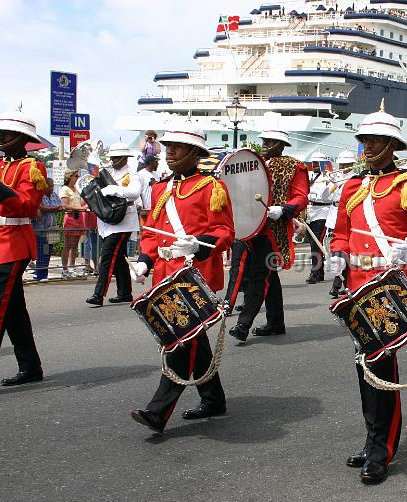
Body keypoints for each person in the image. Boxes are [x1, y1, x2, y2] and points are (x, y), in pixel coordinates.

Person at [327, 104, 407, 484]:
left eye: (374, 140)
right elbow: (340, 232)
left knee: (380, 366)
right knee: (365, 366)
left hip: (389, 288)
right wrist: (337, 263)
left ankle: (381, 450)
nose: (366, 146)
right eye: (363, 140)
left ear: (392, 145)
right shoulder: (352, 186)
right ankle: (374, 439)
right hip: (356, 286)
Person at [130, 123, 235, 432]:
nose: (170, 151)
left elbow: (225, 232)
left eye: (178, 147)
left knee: (179, 341)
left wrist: (200, 243)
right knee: (192, 339)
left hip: (193, 274)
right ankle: (213, 398)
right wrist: (144, 261)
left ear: (195, 153)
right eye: (168, 146)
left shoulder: (211, 187)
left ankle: (157, 411)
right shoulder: (161, 188)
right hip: (165, 274)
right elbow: (151, 233)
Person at [0, 110, 47, 396]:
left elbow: (25, 207)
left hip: (14, 243)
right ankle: (30, 366)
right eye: (0, 133)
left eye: (7, 134)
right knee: (12, 310)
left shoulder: (33, 167)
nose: (0, 138)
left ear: (22, 139)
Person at [227, 129, 308, 341]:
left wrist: (283, 209)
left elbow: (301, 198)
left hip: (273, 230)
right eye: (264, 139)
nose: (265, 143)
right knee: (267, 276)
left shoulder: (294, 166)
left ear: (281, 144)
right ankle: (276, 322)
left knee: (258, 275)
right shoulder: (254, 164)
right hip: (249, 227)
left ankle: (243, 324)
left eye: (270, 140)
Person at [85, 143, 142, 307]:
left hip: (124, 221)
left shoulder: (132, 174)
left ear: (125, 158)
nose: (114, 161)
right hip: (109, 220)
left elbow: (134, 192)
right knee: (118, 259)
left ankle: (98, 294)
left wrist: (114, 190)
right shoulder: (109, 172)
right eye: (112, 158)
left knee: (107, 256)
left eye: (117, 158)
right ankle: (125, 293)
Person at [327, 150, 356, 298]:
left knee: (343, 254)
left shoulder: (354, 179)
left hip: (347, 217)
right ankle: (344, 285)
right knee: (336, 252)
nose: (343, 166)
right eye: (341, 163)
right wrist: (331, 183)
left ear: (351, 164)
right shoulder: (337, 178)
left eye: (345, 164)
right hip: (334, 215)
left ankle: (337, 285)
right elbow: (327, 196)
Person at [305, 152, 332, 284]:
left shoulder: (329, 177)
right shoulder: (309, 176)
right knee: (312, 244)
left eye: (317, 163)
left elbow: (326, 195)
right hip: (311, 212)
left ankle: (314, 272)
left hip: (322, 212)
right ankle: (319, 272)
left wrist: (328, 180)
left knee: (316, 244)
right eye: (313, 162)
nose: (314, 165)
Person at [31, 177, 62, 281]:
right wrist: (54, 208)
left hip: (52, 227)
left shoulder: (54, 195)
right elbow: (41, 207)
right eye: (51, 186)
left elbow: (60, 205)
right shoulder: (39, 195)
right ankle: (40, 274)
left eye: (53, 185)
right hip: (41, 229)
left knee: (48, 252)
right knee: (42, 251)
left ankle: (44, 273)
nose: (52, 188)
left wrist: (54, 208)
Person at [59, 169, 86, 278]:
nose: (77, 177)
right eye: (75, 176)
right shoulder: (65, 189)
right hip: (71, 217)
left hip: (78, 217)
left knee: (75, 245)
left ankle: (72, 267)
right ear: (69, 177)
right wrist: (80, 208)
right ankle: (64, 268)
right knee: (68, 244)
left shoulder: (76, 189)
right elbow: (65, 205)